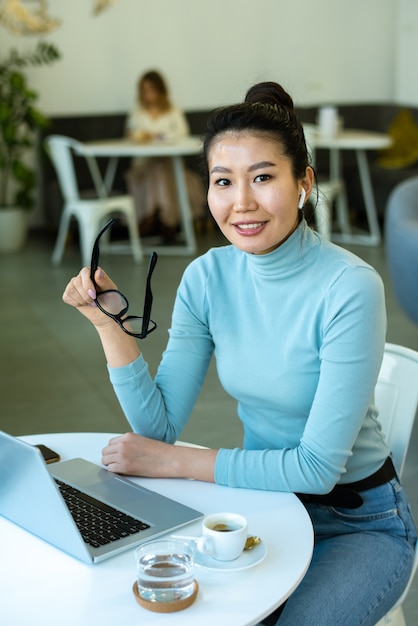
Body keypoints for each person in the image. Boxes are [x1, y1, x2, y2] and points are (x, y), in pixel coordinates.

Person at [63, 81, 417, 625]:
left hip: (357, 522)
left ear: (304, 183)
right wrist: (108, 326)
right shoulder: (207, 277)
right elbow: (156, 429)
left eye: (263, 177)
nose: (242, 203)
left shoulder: (349, 286)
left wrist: (177, 462)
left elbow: (318, 469)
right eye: (223, 181)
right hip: (266, 504)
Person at [125, 69, 205, 242]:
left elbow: (183, 135)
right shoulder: (138, 112)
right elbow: (131, 134)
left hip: (169, 163)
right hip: (144, 166)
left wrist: (155, 136)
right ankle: (166, 221)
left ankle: (156, 217)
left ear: (160, 90)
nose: (148, 95)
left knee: (161, 168)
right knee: (158, 169)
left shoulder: (172, 110)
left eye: (151, 90)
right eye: (144, 91)